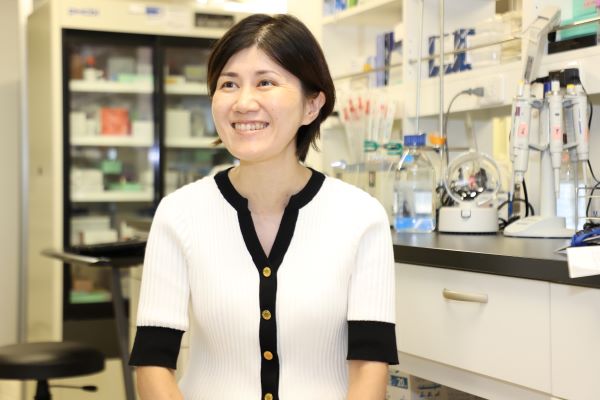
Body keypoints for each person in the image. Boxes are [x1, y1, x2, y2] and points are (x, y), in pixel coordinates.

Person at [129, 13, 398, 400]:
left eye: (265, 82)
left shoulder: (360, 217)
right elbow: (153, 364)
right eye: (228, 84)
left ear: (312, 105)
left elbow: (370, 368)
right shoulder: (179, 214)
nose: (243, 102)